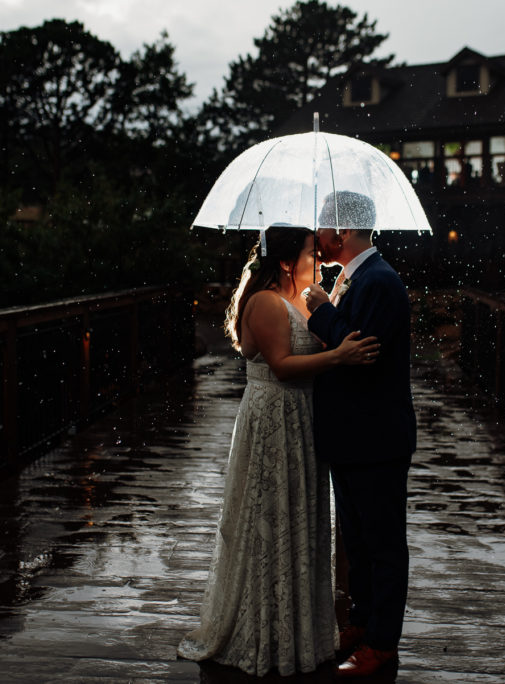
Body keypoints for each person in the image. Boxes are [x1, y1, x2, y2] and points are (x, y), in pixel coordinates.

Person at [177, 225, 380, 677]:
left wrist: (329, 311)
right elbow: (284, 368)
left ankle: (300, 629)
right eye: (312, 252)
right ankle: (267, 631)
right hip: (274, 418)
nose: (320, 260)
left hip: (303, 421)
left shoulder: (304, 295)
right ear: (288, 260)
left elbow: (320, 342)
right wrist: (339, 357)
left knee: (299, 518)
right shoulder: (266, 301)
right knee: (270, 519)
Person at [303, 191, 416, 678]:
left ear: (343, 232)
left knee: (383, 545)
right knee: (358, 541)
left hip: (376, 437)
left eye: (323, 229)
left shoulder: (381, 281)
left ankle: (382, 644)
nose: (318, 238)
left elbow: (360, 349)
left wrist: (320, 309)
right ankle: (362, 625)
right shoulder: (354, 278)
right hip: (352, 437)